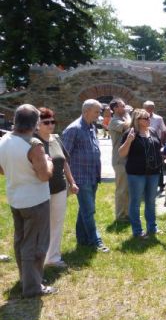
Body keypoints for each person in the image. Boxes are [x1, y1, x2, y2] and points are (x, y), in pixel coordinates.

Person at [0, 104, 55, 297]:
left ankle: (27, 278)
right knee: (36, 244)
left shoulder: (4, 139)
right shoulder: (34, 145)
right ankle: (33, 287)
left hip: (15, 197)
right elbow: (44, 175)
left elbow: (2, 169)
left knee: (21, 241)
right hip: (35, 200)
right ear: (35, 123)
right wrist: (48, 161)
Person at [63, 99, 109, 252]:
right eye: (97, 112)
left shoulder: (91, 127)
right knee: (89, 210)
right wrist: (71, 180)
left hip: (92, 175)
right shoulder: (73, 129)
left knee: (85, 209)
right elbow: (64, 157)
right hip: (80, 177)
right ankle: (95, 240)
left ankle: (82, 239)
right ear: (86, 111)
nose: (99, 115)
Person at [36, 107, 79, 268]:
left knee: (57, 223)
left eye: (53, 121)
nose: (50, 125)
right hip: (40, 188)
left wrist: (72, 182)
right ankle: (38, 258)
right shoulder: (33, 141)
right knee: (41, 224)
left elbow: (64, 162)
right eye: (46, 122)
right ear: (37, 124)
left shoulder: (56, 138)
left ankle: (53, 258)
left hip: (59, 188)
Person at [118, 109, 163, 238]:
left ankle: (152, 227)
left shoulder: (153, 132)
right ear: (137, 120)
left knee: (150, 201)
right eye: (145, 118)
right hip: (136, 173)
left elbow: (158, 148)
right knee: (136, 201)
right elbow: (121, 153)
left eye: (149, 117)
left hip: (153, 172)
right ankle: (137, 231)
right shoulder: (130, 133)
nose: (149, 120)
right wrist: (129, 141)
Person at [107, 98, 130, 222]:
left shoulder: (123, 118)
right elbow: (129, 125)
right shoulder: (114, 121)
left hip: (127, 159)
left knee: (128, 188)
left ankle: (127, 213)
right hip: (120, 160)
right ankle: (121, 216)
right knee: (121, 189)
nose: (125, 107)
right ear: (115, 108)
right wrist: (129, 114)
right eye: (122, 106)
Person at [144, 100, 166, 192]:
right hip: (144, 144)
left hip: (156, 144)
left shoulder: (159, 118)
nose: (150, 110)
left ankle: (161, 184)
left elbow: (163, 130)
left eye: (151, 108)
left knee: (158, 164)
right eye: (148, 108)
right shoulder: (140, 118)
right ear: (144, 108)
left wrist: (161, 142)